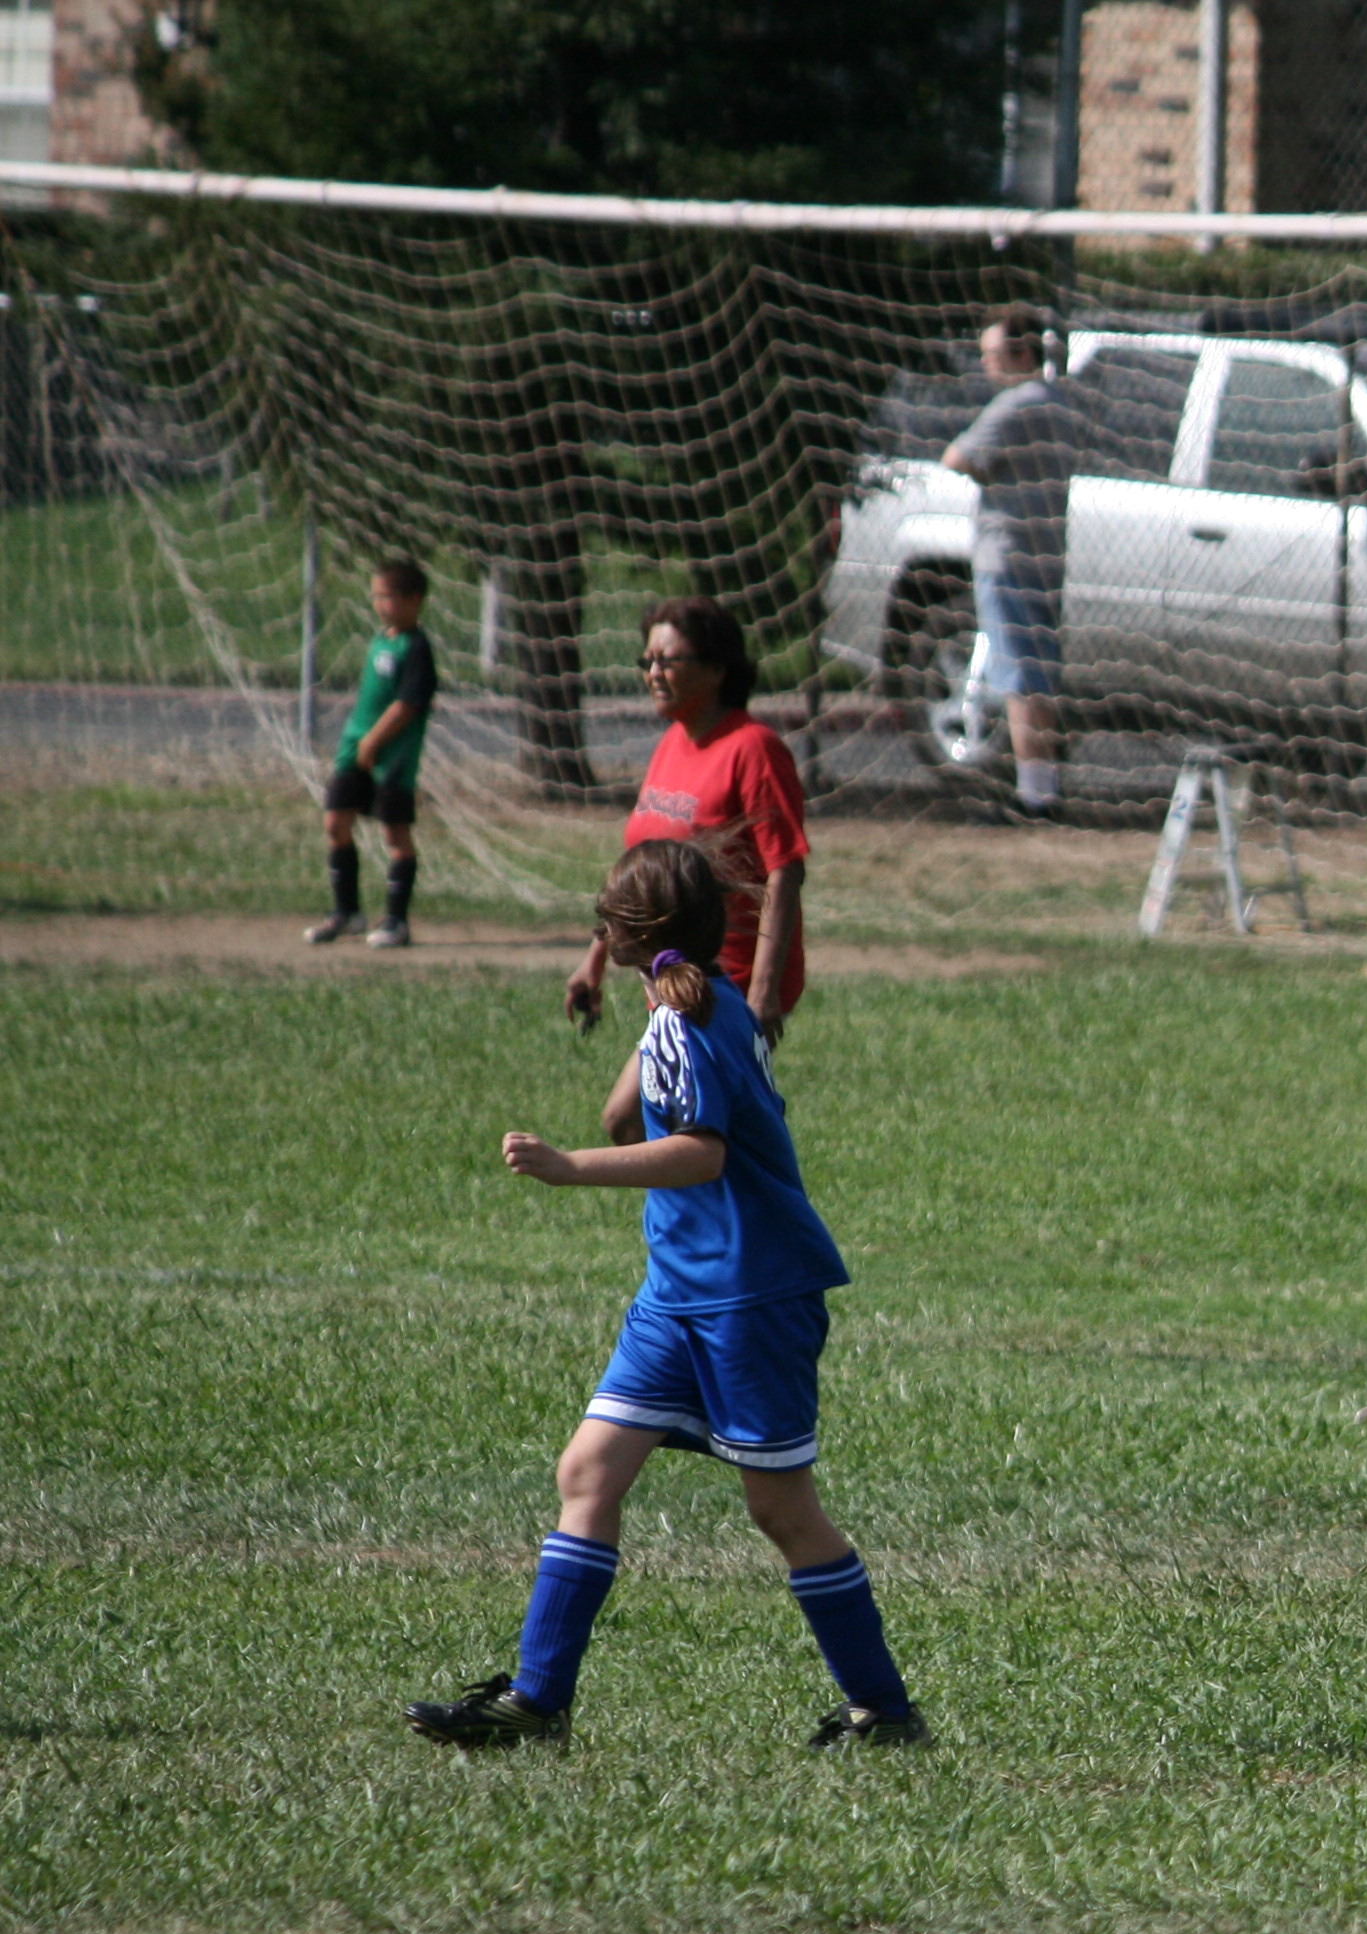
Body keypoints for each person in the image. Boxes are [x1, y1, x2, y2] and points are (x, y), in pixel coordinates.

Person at [410, 839, 924, 1752]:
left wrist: (570, 1168)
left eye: (603, 921)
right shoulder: (700, 1007)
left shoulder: (688, 1022)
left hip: (751, 1296)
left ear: (631, 935)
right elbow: (630, 1116)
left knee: (784, 1512)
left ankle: (884, 1710)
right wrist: (638, 1063)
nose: (596, 935)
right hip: (679, 1294)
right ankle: (537, 1702)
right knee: (588, 1474)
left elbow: (702, 1154)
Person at [564, 599, 808, 1038]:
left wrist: (763, 989)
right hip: (671, 983)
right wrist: (595, 958)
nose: (653, 673)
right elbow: (643, 874)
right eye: (648, 661)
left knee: (641, 1091)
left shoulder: (754, 748)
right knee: (678, 1088)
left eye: (669, 661)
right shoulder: (673, 742)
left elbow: (785, 869)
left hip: (728, 986)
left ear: (717, 668)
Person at [940, 305, 1072, 813]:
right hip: (1046, 551)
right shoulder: (1059, 402)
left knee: (1019, 676)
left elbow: (958, 457)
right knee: (1039, 673)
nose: (985, 363)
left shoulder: (1017, 403)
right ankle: (1045, 785)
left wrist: (985, 471)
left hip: (1008, 554)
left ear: (1020, 352)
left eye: (991, 353)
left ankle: (1033, 795)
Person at [307, 556, 438, 949]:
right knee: (336, 822)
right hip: (356, 746)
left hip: (392, 753)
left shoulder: (417, 648)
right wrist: (359, 741)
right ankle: (347, 913)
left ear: (414, 600)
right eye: (376, 596)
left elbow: (408, 704)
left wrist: (374, 742)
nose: (380, 604)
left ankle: (397, 922)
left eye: (388, 596)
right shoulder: (381, 640)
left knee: (394, 831)